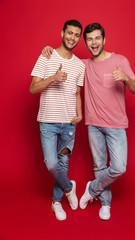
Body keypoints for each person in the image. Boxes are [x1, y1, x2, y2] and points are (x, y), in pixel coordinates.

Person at [42, 23, 135, 221]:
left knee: (119, 167)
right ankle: (105, 204)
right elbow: (66, 60)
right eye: (89, 39)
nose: (93, 42)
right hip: (94, 125)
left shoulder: (120, 60)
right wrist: (49, 50)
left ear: (104, 40)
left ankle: (92, 188)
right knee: (100, 167)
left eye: (97, 38)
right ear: (86, 42)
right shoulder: (83, 64)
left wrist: (126, 79)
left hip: (116, 125)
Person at [30, 19, 85, 221]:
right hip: (48, 122)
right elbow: (32, 89)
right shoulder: (46, 56)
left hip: (69, 124)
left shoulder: (80, 65)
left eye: (76, 35)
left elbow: (77, 93)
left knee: (62, 163)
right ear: (62, 33)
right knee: (52, 164)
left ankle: (56, 202)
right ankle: (69, 187)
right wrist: (52, 78)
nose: (72, 37)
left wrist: (80, 114)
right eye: (69, 33)